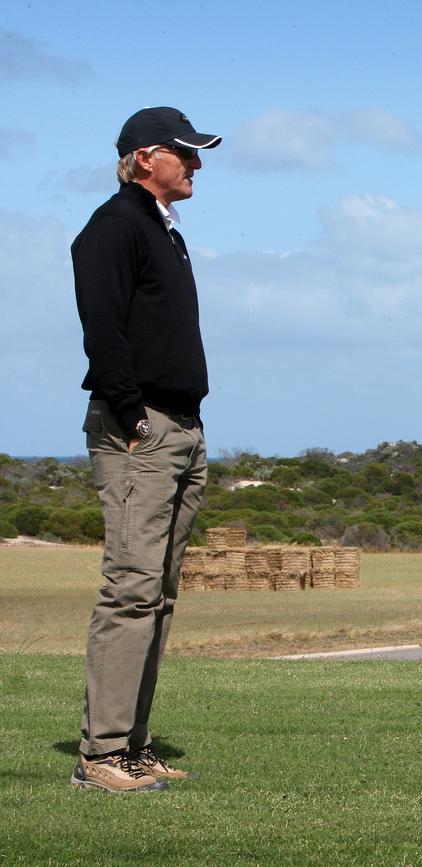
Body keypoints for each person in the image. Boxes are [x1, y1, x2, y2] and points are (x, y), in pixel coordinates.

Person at [70, 107, 221, 793]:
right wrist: (133, 415)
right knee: (130, 589)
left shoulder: (163, 230)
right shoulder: (115, 227)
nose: (195, 166)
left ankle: (132, 746)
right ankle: (99, 757)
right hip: (144, 429)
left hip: (181, 427)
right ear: (145, 157)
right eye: (185, 154)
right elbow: (103, 333)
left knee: (157, 593)